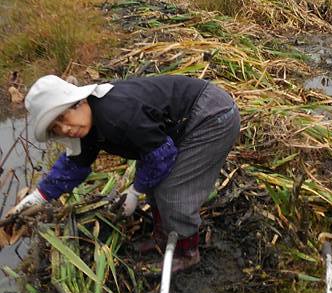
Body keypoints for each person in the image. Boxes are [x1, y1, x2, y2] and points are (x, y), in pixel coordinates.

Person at [10, 74, 240, 272]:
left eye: (63, 118)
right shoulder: (86, 126)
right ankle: (163, 236)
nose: (65, 129)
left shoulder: (116, 113)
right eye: (56, 129)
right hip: (181, 125)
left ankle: (187, 253)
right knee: (155, 182)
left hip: (211, 116)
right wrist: (38, 196)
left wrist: (135, 190)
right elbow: (73, 166)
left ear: (77, 102)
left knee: (172, 191)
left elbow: (162, 155)